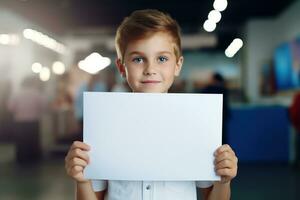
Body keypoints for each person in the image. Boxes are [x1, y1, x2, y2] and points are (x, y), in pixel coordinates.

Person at [65, 9, 238, 200]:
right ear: (122, 67)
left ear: (177, 65)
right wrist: (82, 181)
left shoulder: (195, 124)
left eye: (162, 59)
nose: (150, 69)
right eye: (138, 59)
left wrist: (224, 181)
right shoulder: (105, 125)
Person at [7, 76, 47, 163]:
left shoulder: (16, 94)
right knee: (33, 140)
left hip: (19, 121)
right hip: (33, 121)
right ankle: (33, 158)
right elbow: (43, 106)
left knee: (21, 141)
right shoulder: (37, 93)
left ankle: (21, 158)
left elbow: (10, 108)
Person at [199, 72, 230, 144]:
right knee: (222, 137)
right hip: (223, 116)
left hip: (210, 117)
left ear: (214, 80)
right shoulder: (224, 89)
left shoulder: (208, 89)